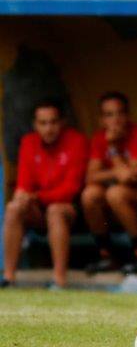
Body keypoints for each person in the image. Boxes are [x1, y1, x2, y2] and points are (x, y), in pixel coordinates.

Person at [1, 100, 86, 289]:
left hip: (70, 210)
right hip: (38, 209)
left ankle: (59, 280)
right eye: (43, 123)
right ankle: (8, 277)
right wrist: (23, 196)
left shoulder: (76, 141)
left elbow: (71, 189)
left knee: (55, 210)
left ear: (62, 122)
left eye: (53, 122)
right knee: (13, 207)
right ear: (35, 125)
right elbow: (24, 183)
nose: (49, 128)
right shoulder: (28, 142)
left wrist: (36, 197)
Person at [80, 92, 137, 273]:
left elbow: (129, 177)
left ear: (128, 115)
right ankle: (106, 255)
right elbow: (90, 176)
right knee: (90, 194)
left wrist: (113, 150)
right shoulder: (100, 138)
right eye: (109, 115)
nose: (116, 120)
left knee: (115, 193)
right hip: (117, 203)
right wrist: (115, 172)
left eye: (120, 113)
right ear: (102, 120)